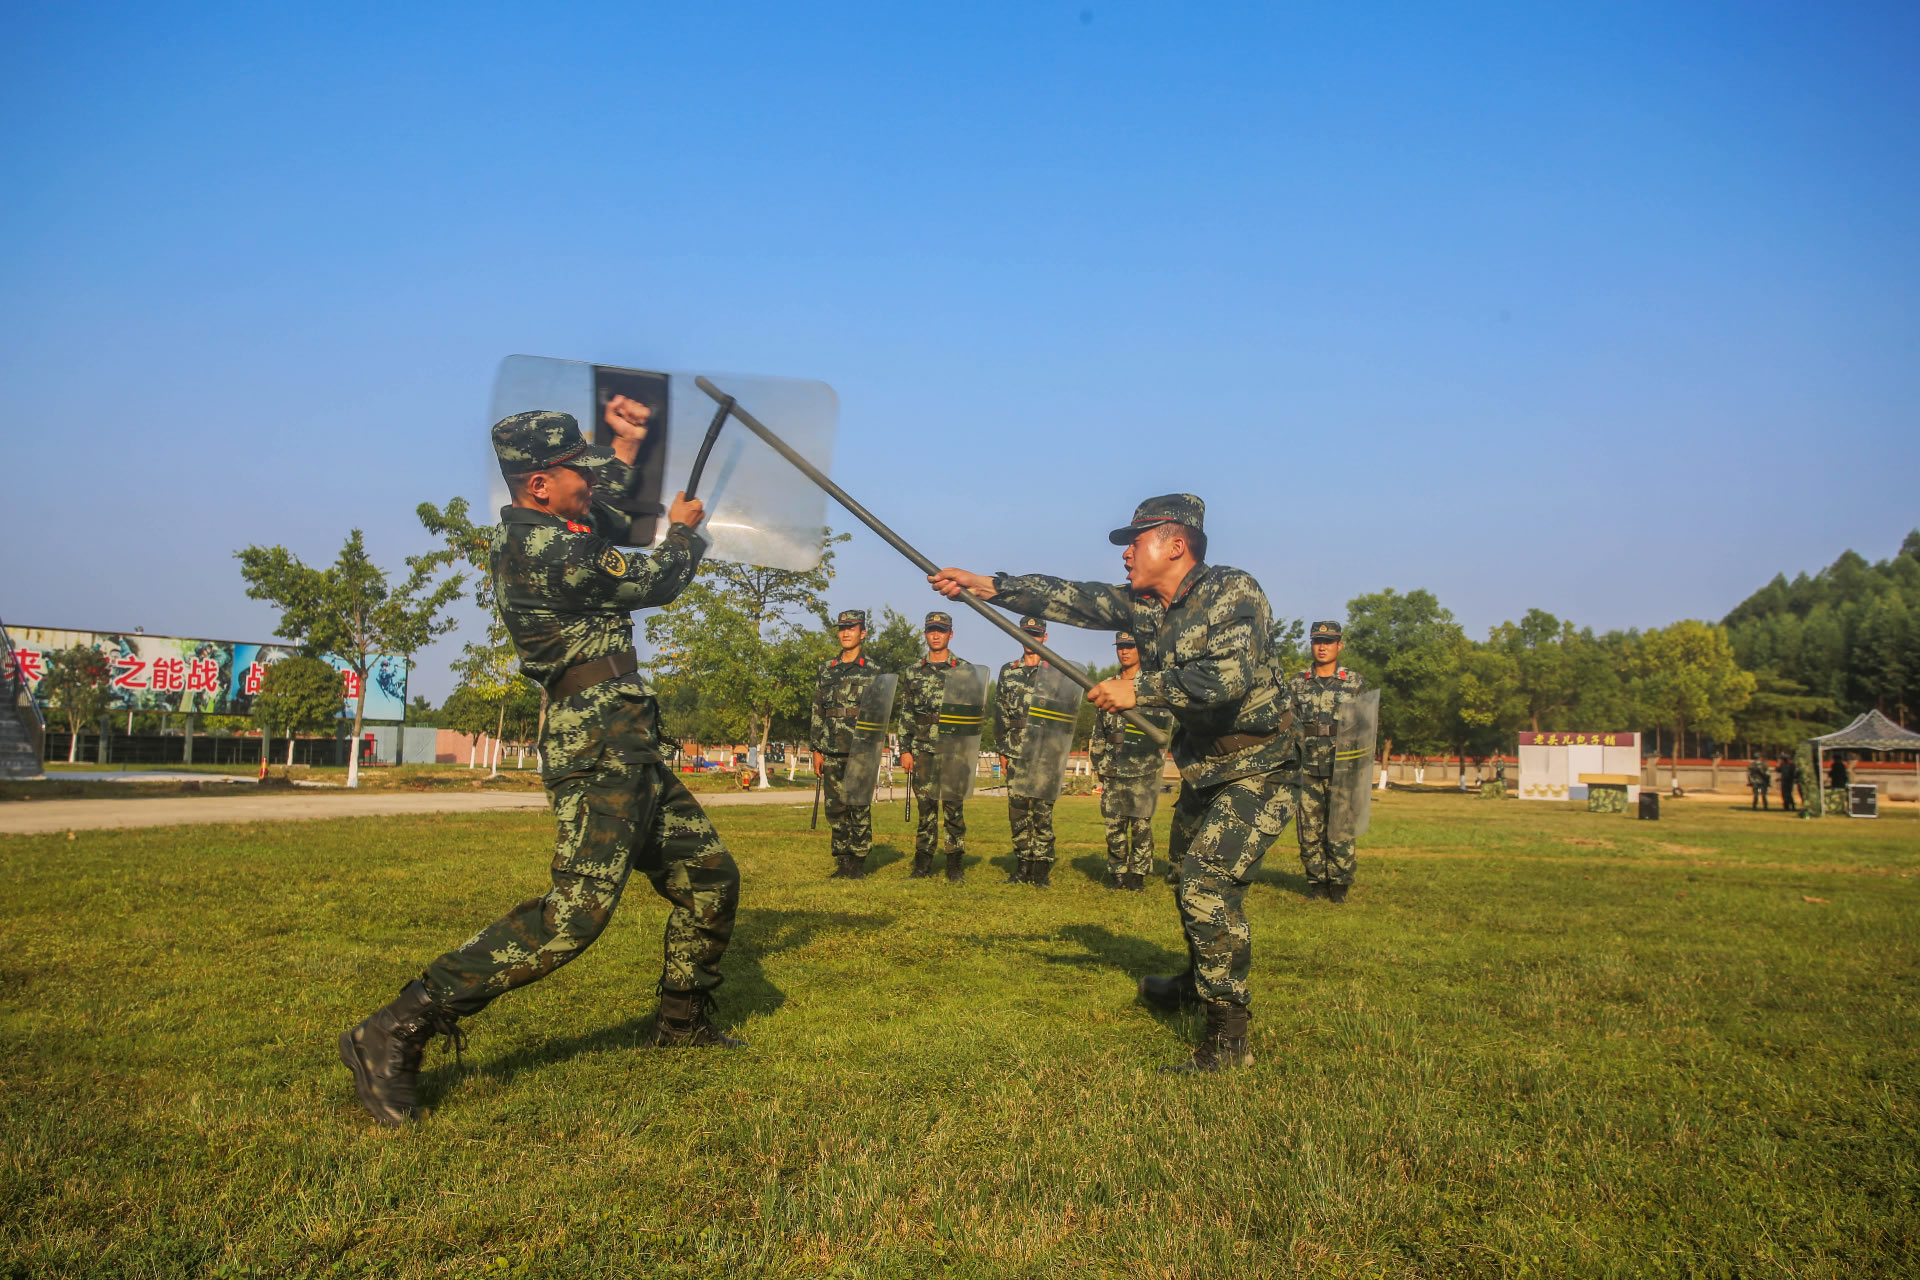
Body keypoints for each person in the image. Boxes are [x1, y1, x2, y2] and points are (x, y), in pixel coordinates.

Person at [339, 401, 742, 1129]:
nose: (592, 486)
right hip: (596, 748)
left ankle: (682, 1025)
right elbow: (654, 578)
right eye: (576, 475)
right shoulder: (549, 551)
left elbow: (611, 504)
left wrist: (621, 443)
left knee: (709, 877)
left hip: (625, 740)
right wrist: (684, 534)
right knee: (575, 914)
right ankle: (395, 1029)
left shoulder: (557, 527)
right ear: (537, 487)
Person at [932, 494, 1295, 1074]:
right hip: (1205, 767)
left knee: (1207, 880)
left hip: (1261, 765)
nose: (1126, 554)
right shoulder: (1144, 605)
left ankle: (1228, 1038)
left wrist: (1139, 690)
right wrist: (987, 585)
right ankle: (1197, 981)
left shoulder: (1233, 591)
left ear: (1175, 545)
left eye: (1137, 540)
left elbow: (1230, 676)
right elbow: (1071, 597)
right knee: (1182, 877)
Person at [1288, 621, 1369, 903]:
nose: (1322, 646)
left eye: (1329, 641)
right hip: (1307, 767)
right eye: (1317, 641)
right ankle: (1316, 883)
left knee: (1340, 829)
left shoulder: (1354, 682)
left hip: (1342, 767)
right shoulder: (1297, 683)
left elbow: (1364, 727)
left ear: (1339, 645)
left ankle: (1339, 884)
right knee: (1309, 830)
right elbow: (1288, 724)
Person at [898, 610, 971, 882]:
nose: (936, 634)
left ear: (951, 633)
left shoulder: (964, 670)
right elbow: (906, 713)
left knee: (954, 809)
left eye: (941, 630)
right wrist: (904, 750)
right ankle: (922, 866)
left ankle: (954, 866)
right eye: (931, 630)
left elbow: (973, 714)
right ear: (925, 633)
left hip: (954, 751)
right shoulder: (913, 672)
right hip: (922, 750)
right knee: (925, 810)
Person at [1090, 632, 1165, 891]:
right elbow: (1099, 731)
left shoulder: (1152, 686)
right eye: (1121, 646)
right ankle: (1118, 873)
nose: (1124, 651)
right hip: (1113, 763)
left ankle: (1138, 876)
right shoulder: (1108, 686)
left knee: (1141, 824)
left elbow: (1164, 726)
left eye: (1130, 646)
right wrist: (1099, 762)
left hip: (1143, 765)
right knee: (1114, 823)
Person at [811, 609, 882, 879]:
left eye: (851, 628)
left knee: (859, 805)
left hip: (860, 748)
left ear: (862, 633)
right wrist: (816, 749)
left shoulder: (874, 671)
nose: (846, 632)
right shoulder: (827, 669)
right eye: (842, 628)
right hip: (830, 747)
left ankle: (859, 862)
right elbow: (817, 710)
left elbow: (878, 712)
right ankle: (842, 860)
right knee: (835, 807)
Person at [993, 617, 1057, 887]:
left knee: (1042, 810)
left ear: (1044, 637)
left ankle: (1041, 868)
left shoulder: (1057, 671)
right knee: (1018, 809)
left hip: (1045, 751)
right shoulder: (1008, 671)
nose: (1031, 638)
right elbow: (1000, 712)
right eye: (1027, 634)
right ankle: (1022, 865)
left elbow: (1064, 716)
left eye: (1036, 633)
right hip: (1016, 748)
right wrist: (1002, 749)